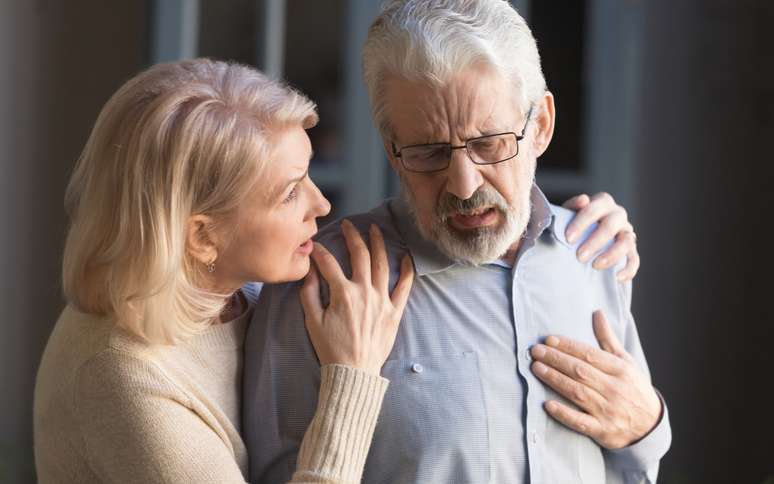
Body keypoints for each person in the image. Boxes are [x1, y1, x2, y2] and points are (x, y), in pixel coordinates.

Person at [243, 1, 671, 483]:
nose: (464, 186)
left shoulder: (597, 251)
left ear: (541, 126)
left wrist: (647, 427)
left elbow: (635, 466)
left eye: (489, 144)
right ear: (392, 151)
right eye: (429, 152)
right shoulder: (321, 283)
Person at [34, 58, 417, 484]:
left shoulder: (234, 286)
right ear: (202, 237)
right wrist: (353, 374)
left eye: (308, 175)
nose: (322, 205)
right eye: (290, 193)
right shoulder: (121, 376)